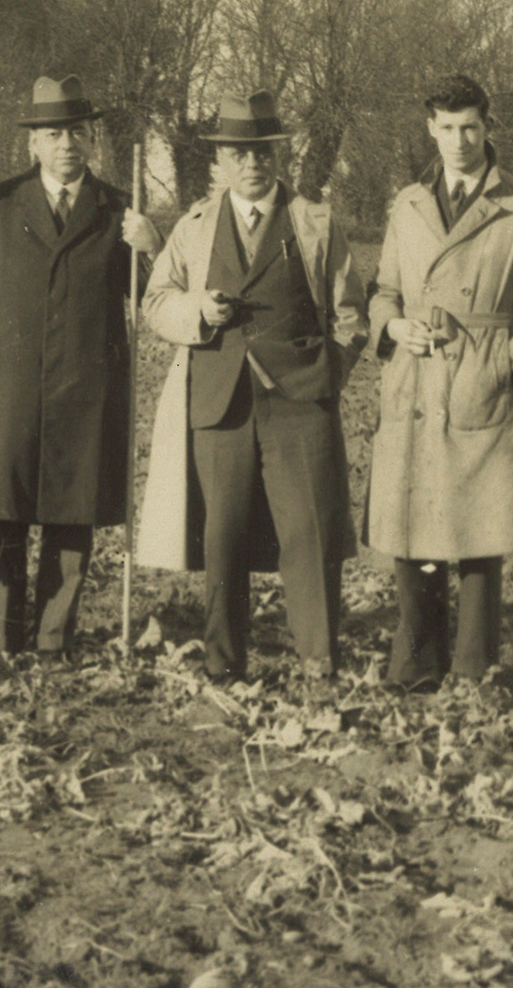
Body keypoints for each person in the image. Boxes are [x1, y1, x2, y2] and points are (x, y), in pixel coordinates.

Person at [134, 90, 365, 689]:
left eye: (262, 152)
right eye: (239, 153)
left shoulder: (315, 223)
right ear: (220, 163)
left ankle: (318, 663)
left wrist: (325, 380)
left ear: (278, 157)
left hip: (299, 405)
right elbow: (155, 303)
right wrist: (197, 312)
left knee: (308, 534)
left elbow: (350, 316)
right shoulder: (192, 227)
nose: (252, 164)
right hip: (218, 404)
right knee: (223, 535)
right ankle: (223, 663)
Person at [0, 76, 163, 666]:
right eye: (53, 133)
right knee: (3, 511)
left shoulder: (120, 211)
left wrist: (154, 244)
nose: (66, 143)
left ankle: (53, 640)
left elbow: (157, 293)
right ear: (32, 144)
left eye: (77, 132)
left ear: (92, 141)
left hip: (86, 387)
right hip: (7, 384)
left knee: (73, 515)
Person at [366, 73, 513, 691]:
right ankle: (416, 663)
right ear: (431, 127)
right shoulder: (406, 204)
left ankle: (474, 668)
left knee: (481, 534)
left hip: (481, 378)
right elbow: (383, 292)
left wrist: (508, 364)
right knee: (412, 526)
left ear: (488, 128)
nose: (459, 141)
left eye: (471, 128)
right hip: (416, 380)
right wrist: (394, 329)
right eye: (448, 128)